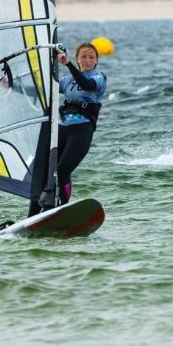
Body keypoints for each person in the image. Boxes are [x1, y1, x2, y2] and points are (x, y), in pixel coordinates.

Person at [26, 41, 108, 216]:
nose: (87, 60)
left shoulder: (99, 78)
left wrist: (68, 64)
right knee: (45, 170)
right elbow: (40, 91)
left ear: (96, 61)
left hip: (81, 131)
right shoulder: (66, 81)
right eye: (83, 56)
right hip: (61, 130)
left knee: (63, 169)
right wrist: (10, 85)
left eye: (91, 57)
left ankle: (62, 206)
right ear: (78, 59)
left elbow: (86, 85)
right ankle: (35, 213)